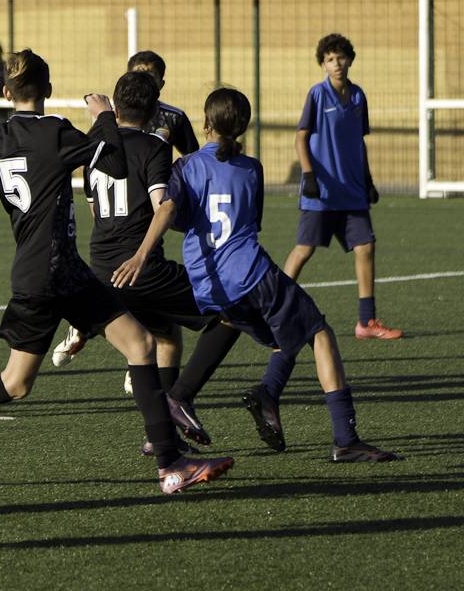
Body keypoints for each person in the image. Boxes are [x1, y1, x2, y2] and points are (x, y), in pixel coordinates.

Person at [0, 50, 234, 494]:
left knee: (133, 346)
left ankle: (170, 464)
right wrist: (104, 117)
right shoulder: (56, 130)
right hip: (52, 273)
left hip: (55, 271)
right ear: (49, 90)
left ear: (6, 94)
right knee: (21, 381)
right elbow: (115, 162)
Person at [112, 87, 399, 463]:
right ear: (244, 126)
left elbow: (174, 215)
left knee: (276, 335)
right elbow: (249, 221)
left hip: (209, 283)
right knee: (318, 332)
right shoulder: (251, 169)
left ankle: (232, 394)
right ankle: (344, 438)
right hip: (250, 273)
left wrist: (141, 253)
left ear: (206, 123)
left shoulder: (186, 167)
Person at [49, 72, 242, 453]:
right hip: (141, 270)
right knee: (231, 312)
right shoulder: (155, 146)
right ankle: (179, 399)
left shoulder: (94, 148)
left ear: (116, 107)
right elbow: (161, 207)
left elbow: (95, 210)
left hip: (100, 270)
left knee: (164, 335)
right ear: (155, 112)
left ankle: (162, 438)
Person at [283, 33, 402, 341]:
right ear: (323, 64)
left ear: (350, 60)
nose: (336, 64)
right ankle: (275, 308)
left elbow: (358, 142)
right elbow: (301, 137)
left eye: (341, 58)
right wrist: (308, 175)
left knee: (366, 247)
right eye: (330, 59)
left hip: (352, 192)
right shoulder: (317, 94)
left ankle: (366, 322)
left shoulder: (359, 96)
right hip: (322, 193)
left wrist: (368, 180)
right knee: (303, 250)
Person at [127, 50, 199, 156]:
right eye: (137, 77)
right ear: (126, 80)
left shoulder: (174, 117)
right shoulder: (111, 115)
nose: (143, 83)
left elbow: (193, 157)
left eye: (150, 77)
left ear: (161, 84)